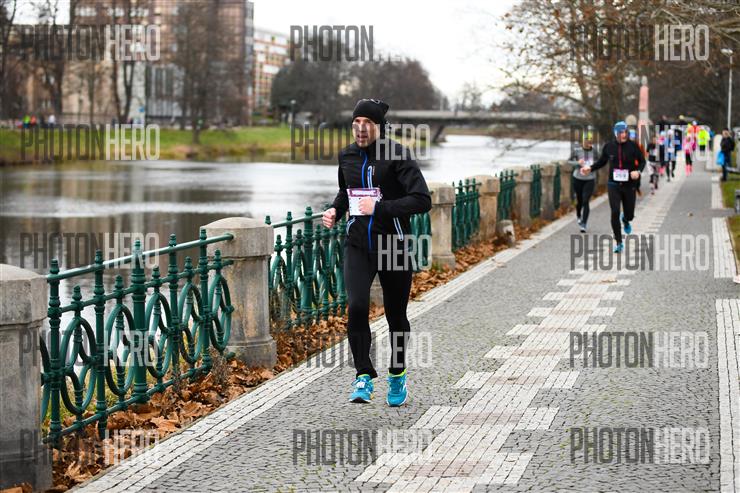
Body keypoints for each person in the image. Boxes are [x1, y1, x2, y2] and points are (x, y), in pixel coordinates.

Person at [322, 98, 431, 406]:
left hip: (393, 245)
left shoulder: (398, 155)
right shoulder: (347, 156)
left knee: (396, 315)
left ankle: (397, 373)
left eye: (367, 123)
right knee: (357, 306)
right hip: (358, 245)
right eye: (356, 123)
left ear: (379, 127)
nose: (360, 128)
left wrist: (380, 207)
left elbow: (422, 200)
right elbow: (345, 191)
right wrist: (334, 210)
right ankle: (363, 375)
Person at [581, 121, 645, 253]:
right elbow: (601, 162)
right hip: (613, 184)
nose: (624, 135)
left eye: (625, 132)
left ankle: (625, 219)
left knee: (630, 215)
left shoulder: (633, 146)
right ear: (616, 133)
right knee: (614, 211)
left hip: (629, 184)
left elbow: (642, 161)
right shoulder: (609, 147)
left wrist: (637, 171)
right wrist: (590, 168)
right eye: (621, 132)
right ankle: (619, 242)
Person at [571, 132, 597, 232]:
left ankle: (584, 223)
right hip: (578, 178)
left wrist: (593, 166)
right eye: (586, 139)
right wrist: (577, 163)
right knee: (580, 200)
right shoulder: (577, 151)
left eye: (590, 139)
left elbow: (600, 162)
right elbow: (569, 161)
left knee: (586, 201)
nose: (588, 141)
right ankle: (578, 214)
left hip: (590, 179)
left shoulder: (595, 152)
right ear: (583, 140)